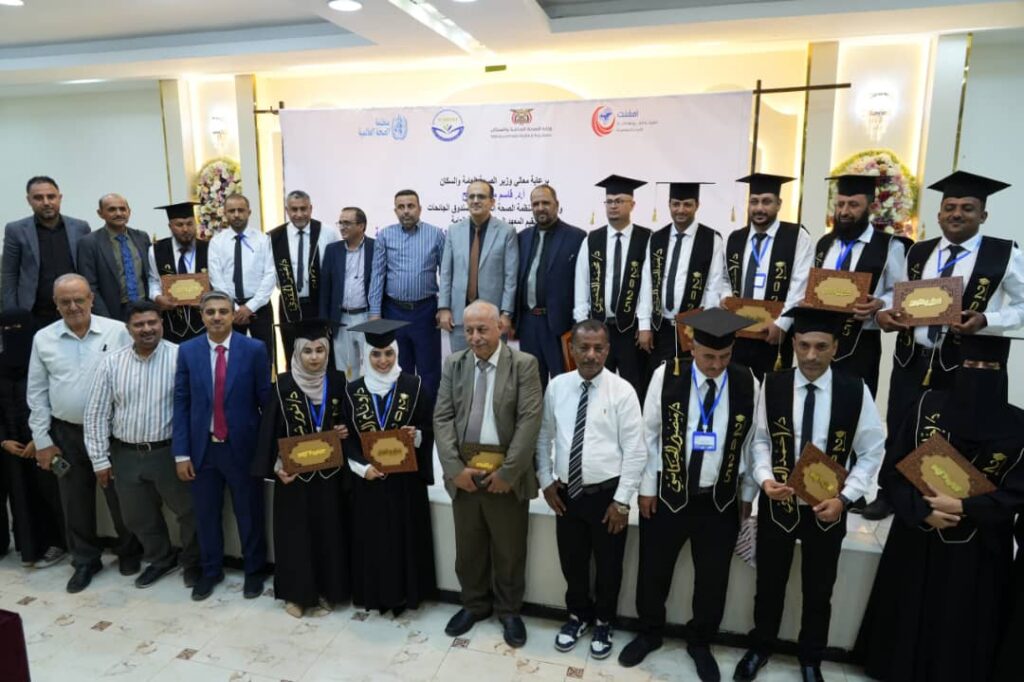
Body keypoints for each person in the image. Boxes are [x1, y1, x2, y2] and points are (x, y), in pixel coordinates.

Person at [855, 335, 1024, 682]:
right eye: (971, 365)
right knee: (907, 611)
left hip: (978, 550)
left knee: (961, 622)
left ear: (1003, 371)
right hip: (918, 535)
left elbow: (1016, 495)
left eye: (990, 367)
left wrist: (964, 505)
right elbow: (894, 471)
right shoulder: (926, 407)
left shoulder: (1018, 426)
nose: (979, 372)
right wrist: (922, 511)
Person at [734, 306, 884, 682]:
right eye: (804, 346)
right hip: (779, 502)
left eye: (821, 346)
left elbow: (871, 451)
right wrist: (764, 478)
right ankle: (760, 647)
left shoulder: (855, 389)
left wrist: (845, 498)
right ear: (794, 344)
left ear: (836, 347)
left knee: (819, 590)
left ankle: (810, 658)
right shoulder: (774, 384)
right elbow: (761, 441)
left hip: (827, 508)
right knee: (769, 584)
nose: (811, 356)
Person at [870, 170, 1024, 521]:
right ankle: (890, 494)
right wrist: (884, 314)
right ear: (939, 214)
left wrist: (987, 319)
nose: (957, 214)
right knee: (902, 425)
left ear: (983, 215)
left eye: (967, 208)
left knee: (955, 433)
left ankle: (948, 498)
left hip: (966, 363)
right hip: (913, 358)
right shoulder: (919, 251)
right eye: (950, 207)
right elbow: (900, 297)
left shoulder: (1003, 253)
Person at [620, 309, 760, 681]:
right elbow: (648, 434)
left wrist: (748, 494)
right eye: (708, 356)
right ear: (691, 347)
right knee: (654, 570)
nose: (716, 365)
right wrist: (646, 488)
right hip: (668, 494)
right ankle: (649, 632)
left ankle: (700, 642)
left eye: (724, 356)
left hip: (720, 499)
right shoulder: (667, 374)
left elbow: (752, 442)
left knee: (713, 579)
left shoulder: (747, 381)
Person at [434, 300, 543, 647]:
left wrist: (509, 473)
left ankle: (508, 611)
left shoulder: (523, 365)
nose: (475, 337)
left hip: (505, 474)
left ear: (500, 328)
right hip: (465, 473)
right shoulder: (455, 364)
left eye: (482, 329)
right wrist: (454, 469)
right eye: (468, 330)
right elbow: (442, 417)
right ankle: (474, 605)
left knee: (509, 549)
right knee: (469, 547)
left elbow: (529, 421)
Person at [535, 319, 645, 659]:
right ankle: (578, 616)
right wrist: (545, 480)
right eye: (584, 347)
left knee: (609, 567)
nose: (591, 355)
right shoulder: (558, 387)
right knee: (573, 562)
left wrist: (622, 501)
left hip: (607, 498)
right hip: (567, 494)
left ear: (608, 350)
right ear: (572, 349)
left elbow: (636, 450)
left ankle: (604, 621)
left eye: (598, 348)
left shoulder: (622, 391)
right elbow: (543, 437)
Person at [26, 274, 141, 593]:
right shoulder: (43, 339)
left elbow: (134, 377)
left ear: (91, 299)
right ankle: (85, 560)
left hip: (111, 432)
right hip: (66, 434)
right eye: (65, 301)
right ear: (56, 304)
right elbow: (36, 392)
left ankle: (130, 551)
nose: (73, 306)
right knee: (74, 502)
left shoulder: (117, 332)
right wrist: (43, 440)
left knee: (120, 497)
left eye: (79, 299)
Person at [83, 300, 200, 589]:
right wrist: (99, 459)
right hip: (125, 454)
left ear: (161, 323)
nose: (146, 329)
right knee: (137, 516)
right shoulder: (112, 363)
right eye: (139, 324)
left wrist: (188, 453)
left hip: (169, 452)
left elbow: (196, 409)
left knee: (190, 512)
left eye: (152, 322)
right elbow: (96, 413)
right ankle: (160, 559)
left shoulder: (181, 357)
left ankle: (193, 563)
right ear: (128, 329)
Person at [172, 290, 271, 601]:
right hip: (203, 450)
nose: (216, 317)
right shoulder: (187, 351)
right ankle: (211, 570)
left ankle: (254, 571)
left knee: (249, 514)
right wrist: (181, 453)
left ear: (232, 315)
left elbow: (266, 402)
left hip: (242, 449)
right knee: (206, 515)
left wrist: (267, 451)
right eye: (210, 312)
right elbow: (181, 403)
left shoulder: (254, 349)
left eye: (223, 311)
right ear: (202, 316)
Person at [255, 319, 351, 618]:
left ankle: (329, 590)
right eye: (307, 351)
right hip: (294, 477)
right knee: (295, 536)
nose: (314, 357)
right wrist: (276, 465)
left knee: (329, 533)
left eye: (320, 350)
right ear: (296, 353)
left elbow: (348, 421)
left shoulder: (337, 381)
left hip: (329, 475)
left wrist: (344, 429)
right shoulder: (283, 385)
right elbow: (269, 431)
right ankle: (296, 595)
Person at [343, 319, 437, 616]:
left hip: (405, 484)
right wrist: (363, 468)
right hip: (369, 482)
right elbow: (347, 438)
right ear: (366, 355)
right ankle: (376, 595)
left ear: (397, 353)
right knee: (375, 540)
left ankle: (407, 594)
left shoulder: (414, 385)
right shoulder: (352, 391)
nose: (383, 361)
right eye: (376, 354)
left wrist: (417, 435)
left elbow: (428, 427)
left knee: (404, 538)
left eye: (388, 354)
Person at [810, 175, 903, 397]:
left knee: (856, 403)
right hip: (821, 340)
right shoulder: (825, 243)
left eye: (853, 205)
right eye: (840, 204)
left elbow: (901, 292)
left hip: (862, 342)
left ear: (871, 207)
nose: (844, 211)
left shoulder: (890, 246)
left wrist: (880, 304)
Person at [722, 173, 812, 379]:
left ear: (779, 204)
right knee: (738, 389)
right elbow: (725, 279)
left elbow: (801, 284)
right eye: (754, 202)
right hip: (738, 332)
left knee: (773, 390)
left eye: (766, 202)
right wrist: (726, 299)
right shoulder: (735, 238)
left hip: (775, 333)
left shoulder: (796, 236)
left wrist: (783, 324)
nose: (759, 208)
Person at [573, 175, 654, 398]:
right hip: (598, 329)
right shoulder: (592, 239)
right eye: (609, 201)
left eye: (619, 201)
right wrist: (581, 323)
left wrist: (645, 324)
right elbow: (582, 282)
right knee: (596, 386)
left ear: (632, 205)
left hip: (631, 330)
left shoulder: (646, 238)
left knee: (634, 387)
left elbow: (647, 284)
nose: (613, 206)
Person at [0, 309, 66, 569]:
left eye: (18, 328)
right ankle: (28, 548)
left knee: (50, 494)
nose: (12, 333)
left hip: (44, 442)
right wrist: (3, 440)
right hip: (12, 447)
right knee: (20, 497)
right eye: (7, 329)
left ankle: (58, 543)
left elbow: (54, 401)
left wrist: (38, 438)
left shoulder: (43, 361)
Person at [367, 189, 445, 397]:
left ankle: (427, 416)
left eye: (410, 206)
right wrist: (374, 313)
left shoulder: (436, 234)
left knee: (429, 371)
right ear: (395, 211)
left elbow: (446, 273)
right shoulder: (385, 235)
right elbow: (377, 275)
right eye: (401, 207)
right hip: (393, 312)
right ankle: (404, 415)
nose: (406, 211)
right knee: (399, 369)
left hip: (426, 311)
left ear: (419, 209)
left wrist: (444, 307)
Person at [647, 182, 728, 370]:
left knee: (689, 376)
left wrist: (705, 329)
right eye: (676, 204)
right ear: (669, 205)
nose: (681, 210)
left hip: (693, 328)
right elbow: (647, 282)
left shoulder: (711, 239)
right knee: (659, 377)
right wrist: (644, 325)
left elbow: (714, 285)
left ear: (697, 205)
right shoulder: (657, 238)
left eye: (687, 204)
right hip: (660, 327)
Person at [514, 184, 586, 387]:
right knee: (531, 384)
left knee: (564, 384)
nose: (540, 208)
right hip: (528, 324)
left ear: (557, 205)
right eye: (535, 204)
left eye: (545, 202)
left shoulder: (577, 237)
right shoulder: (522, 237)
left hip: (560, 325)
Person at [438, 179, 518, 352]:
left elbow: (511, 277)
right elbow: (446, 273)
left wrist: (506, 313)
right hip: (459, 317)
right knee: (461, 364)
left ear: (492, 202)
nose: (475, 200)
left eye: (481, 196)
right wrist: (444, 308)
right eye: (471, 196)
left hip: (493, 318)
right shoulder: (453, 231)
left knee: (494, 365)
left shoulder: (507, 232)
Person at [2, 176, 91, 328]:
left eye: (51, 196)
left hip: (74, 309)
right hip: (34, 312)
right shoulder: (16, 230)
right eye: (38, 198)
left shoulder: (80, 227)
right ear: (29, 200)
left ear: (60, 198)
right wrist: (12, 313)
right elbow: (9, 274)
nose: (46, 202)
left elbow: (88, 269)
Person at [268, 190, 340, 361]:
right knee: (293, 354)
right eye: (294, 209)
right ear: (287, 210)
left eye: (303, 209)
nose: (299, 214)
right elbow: (269, 272)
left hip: (319, 305)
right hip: (289, 305)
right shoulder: (273, 237)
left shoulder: (327, 233)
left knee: (323, 355)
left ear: (311, 208)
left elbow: (335, 270)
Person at [207, 194, 277, 363]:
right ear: (225, 213)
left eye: (241, 210)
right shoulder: (217, 242)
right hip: (229, 309)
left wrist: (250, 307)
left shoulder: (263, 240)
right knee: (232, 359)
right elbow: (216, 278)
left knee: (265, 357)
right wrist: (235, 308)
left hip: (259, 307)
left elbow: (270, 275)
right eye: (232, 211)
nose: (236, 215)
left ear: (249, 212)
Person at [76, 194, 153, 322]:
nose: (118, 213)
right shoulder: (89, 243)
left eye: (122, 209)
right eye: (112, 209)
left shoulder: (142, 237)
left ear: (129, 212)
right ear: (100, 213)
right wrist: (105, 319)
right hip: (112, 311)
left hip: (144, 307)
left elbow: (151, 274)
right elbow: (90, 285)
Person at [320, 207, 374, 377]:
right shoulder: (332, 250)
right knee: (347, 370)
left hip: (367, 317)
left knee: (373, 366)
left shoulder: (375, 247)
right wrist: (325, 320)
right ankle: (349, 395)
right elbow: (325, 288)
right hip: (341, 318)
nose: (342, 227)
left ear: (361, 226)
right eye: (340, 223)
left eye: (347, 223)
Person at [148, 202, 209, 344]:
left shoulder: (208, 248)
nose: (185, 229)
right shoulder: (156, 250)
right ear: (170, 226)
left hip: (204, 323)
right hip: (171, 324)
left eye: (189, 224)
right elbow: (153, 280)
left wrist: (210, 296)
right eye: (179, 225)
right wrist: (157, 297)